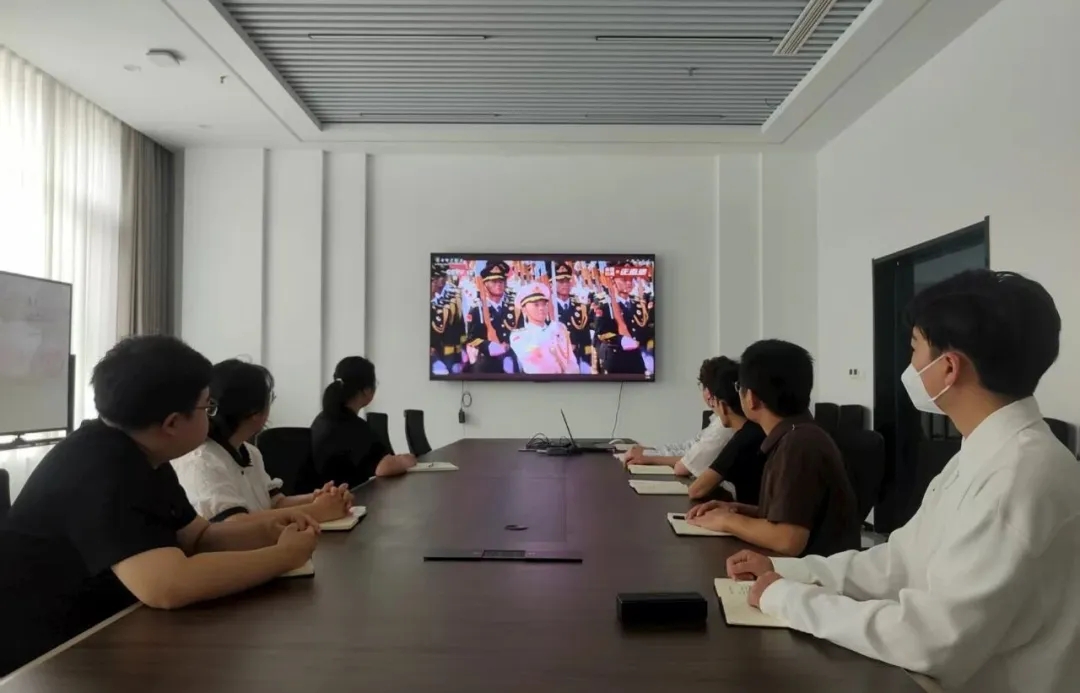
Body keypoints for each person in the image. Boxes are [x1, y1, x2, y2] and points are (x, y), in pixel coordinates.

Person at [724, 271, 1080, 693]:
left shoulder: (1018, 479)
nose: (909, 365)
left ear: (949, 368)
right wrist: (790, 573)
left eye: (914, 348)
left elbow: (930, 640)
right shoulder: (984, 453)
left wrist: (787, 598)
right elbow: (901, 562)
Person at [0, 336, 319, 677]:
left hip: (103, 632)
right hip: (48, 660)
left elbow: (198, 537)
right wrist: (283, 556)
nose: (212, 417)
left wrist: (269, 529)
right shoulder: (102, 467)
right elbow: (168, 586)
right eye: (207, 407)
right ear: (172, 423)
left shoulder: (145, 454)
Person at [687, 340, 859, 557]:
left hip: (814, 573)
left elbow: (788, 539)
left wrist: (727, 521)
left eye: (739, 388)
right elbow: (795, 516)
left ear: (751, 398)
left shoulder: (798, 444)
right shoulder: (798, 434)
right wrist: (740, 511)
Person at [172, 359, 353, 524]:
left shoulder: (250, 452)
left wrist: (318, 499)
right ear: (255, 412)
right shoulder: (202, 461)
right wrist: (316, 511)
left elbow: (275, 503)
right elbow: (234, 524)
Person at [310, 356, 416, 487]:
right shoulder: (355, 428)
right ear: (367, 390)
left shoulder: (321, 420)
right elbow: (383, 468)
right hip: (346, 497)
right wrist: (406, 460)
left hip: (319, 496)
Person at [623, 357, 738, 478]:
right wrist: (648, 450)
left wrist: (647, 458)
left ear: (709, 394)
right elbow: (689, 448)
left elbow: (685, 466)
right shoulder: (717, 419)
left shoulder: (724, 427)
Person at [685, 356, 767, 504]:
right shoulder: (759, 429)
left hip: (749, 515)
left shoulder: (743, 439)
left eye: (713, 404)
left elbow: (696, 490)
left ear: (722, 405)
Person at [509, 282, 577, 375]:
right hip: (538, 381)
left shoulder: (559, 329)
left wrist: (572, 375)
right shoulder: (518, 335)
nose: (541, 308)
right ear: (524, 309)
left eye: (544, 304)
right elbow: (531, 356)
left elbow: (570, 359)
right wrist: (551, 332)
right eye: (536, 305)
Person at [593, 261, 648, 375]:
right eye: (624, 279)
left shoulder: (638, 304)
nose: (629, 282)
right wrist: (621, 339)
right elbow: (600, 334)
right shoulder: (605, 305)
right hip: (616, 359)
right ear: (613, 280)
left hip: (637, 359)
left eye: (631, 279)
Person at [465, 260, 518, 374]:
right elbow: (472, 339)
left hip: (512, 357)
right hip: (488, 362)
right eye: (494, 281)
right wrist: (489, 346)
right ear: (485, 284)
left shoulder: (514, 306)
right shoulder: (477, 309)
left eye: (501, 281)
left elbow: (521, 330)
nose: (498, 284)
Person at [552, 261, 593, 374]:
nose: (565, 284)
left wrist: (587, 358)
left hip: (580, 357)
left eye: (567, 281)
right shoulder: (548, 309)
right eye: (561, 281)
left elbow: (586, 337)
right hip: (558, 361)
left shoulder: (580, 306)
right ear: (552, 284)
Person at [430, 263, 465, 376]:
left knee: (452, 371)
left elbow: (459, 324)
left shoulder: (453, 297)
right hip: (431, 351)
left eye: (442, 276)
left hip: (449, 349)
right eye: (435, 278)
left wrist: (463, 349)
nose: (439, 280)